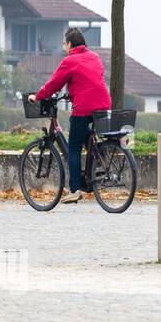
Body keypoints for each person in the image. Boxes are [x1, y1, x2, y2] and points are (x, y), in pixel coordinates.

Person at [29, 28, 112, 204]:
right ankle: (98, 165)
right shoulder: (95, 57)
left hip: (84, 108)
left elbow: (54, 84)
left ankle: (74, 190)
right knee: (87, 139)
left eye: (64, 43)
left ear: (69, 44)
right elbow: (90, 80)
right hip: (103, 105)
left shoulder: (70, 60)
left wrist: (37, 96)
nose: (63, 47)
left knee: (73, 148)